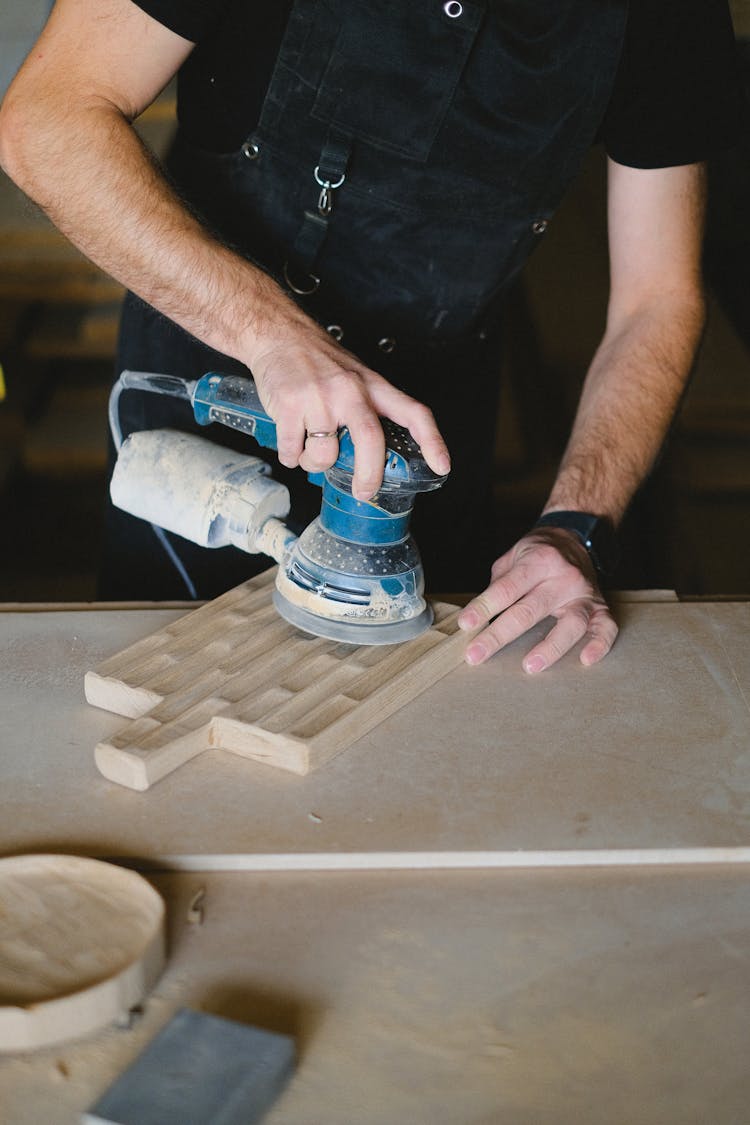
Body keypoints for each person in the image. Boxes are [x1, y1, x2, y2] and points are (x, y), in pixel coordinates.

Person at [0, 0, 744, 672]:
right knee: (171, 703)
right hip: (219, 377)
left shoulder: (666, 14)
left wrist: (574, 525)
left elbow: (658, 298)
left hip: (430, 432)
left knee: (400, 731)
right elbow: (47, 119)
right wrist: (272, 336)